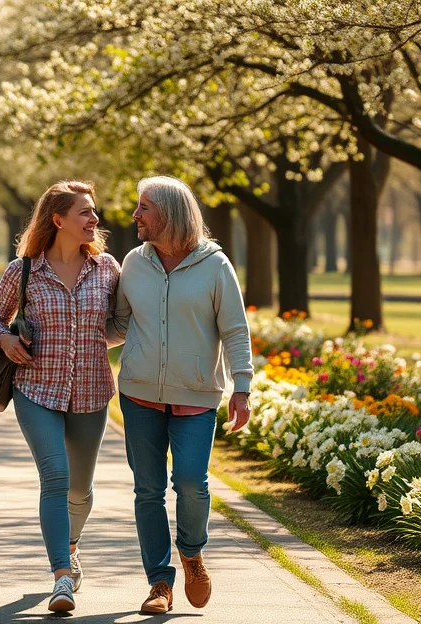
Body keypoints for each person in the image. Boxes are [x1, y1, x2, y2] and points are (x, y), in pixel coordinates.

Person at [107, 175, 253, 614]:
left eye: (144, 207)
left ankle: (191, 552)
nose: (135, 215)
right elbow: (118, 325)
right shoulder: (133, 262)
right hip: (138, 395)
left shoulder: (215, 266)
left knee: (191, 483)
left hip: (196, 398)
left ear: (168, 213)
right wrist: (67, 332)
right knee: (147, 490)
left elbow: (235, 331)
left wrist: (241, 386)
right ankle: (159, 583)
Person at [0, 181, 120, 613]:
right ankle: (61, 576)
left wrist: (102, 338)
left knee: (80, 488)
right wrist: (4, 339)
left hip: (92, 391)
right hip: (36, 389)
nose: (94, 220)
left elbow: (124, 323)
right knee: (56, 478)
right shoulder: (22, 271)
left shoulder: (108, 269)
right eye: (85, 212)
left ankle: (72, 545)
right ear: (58, 220)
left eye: (93, 212)